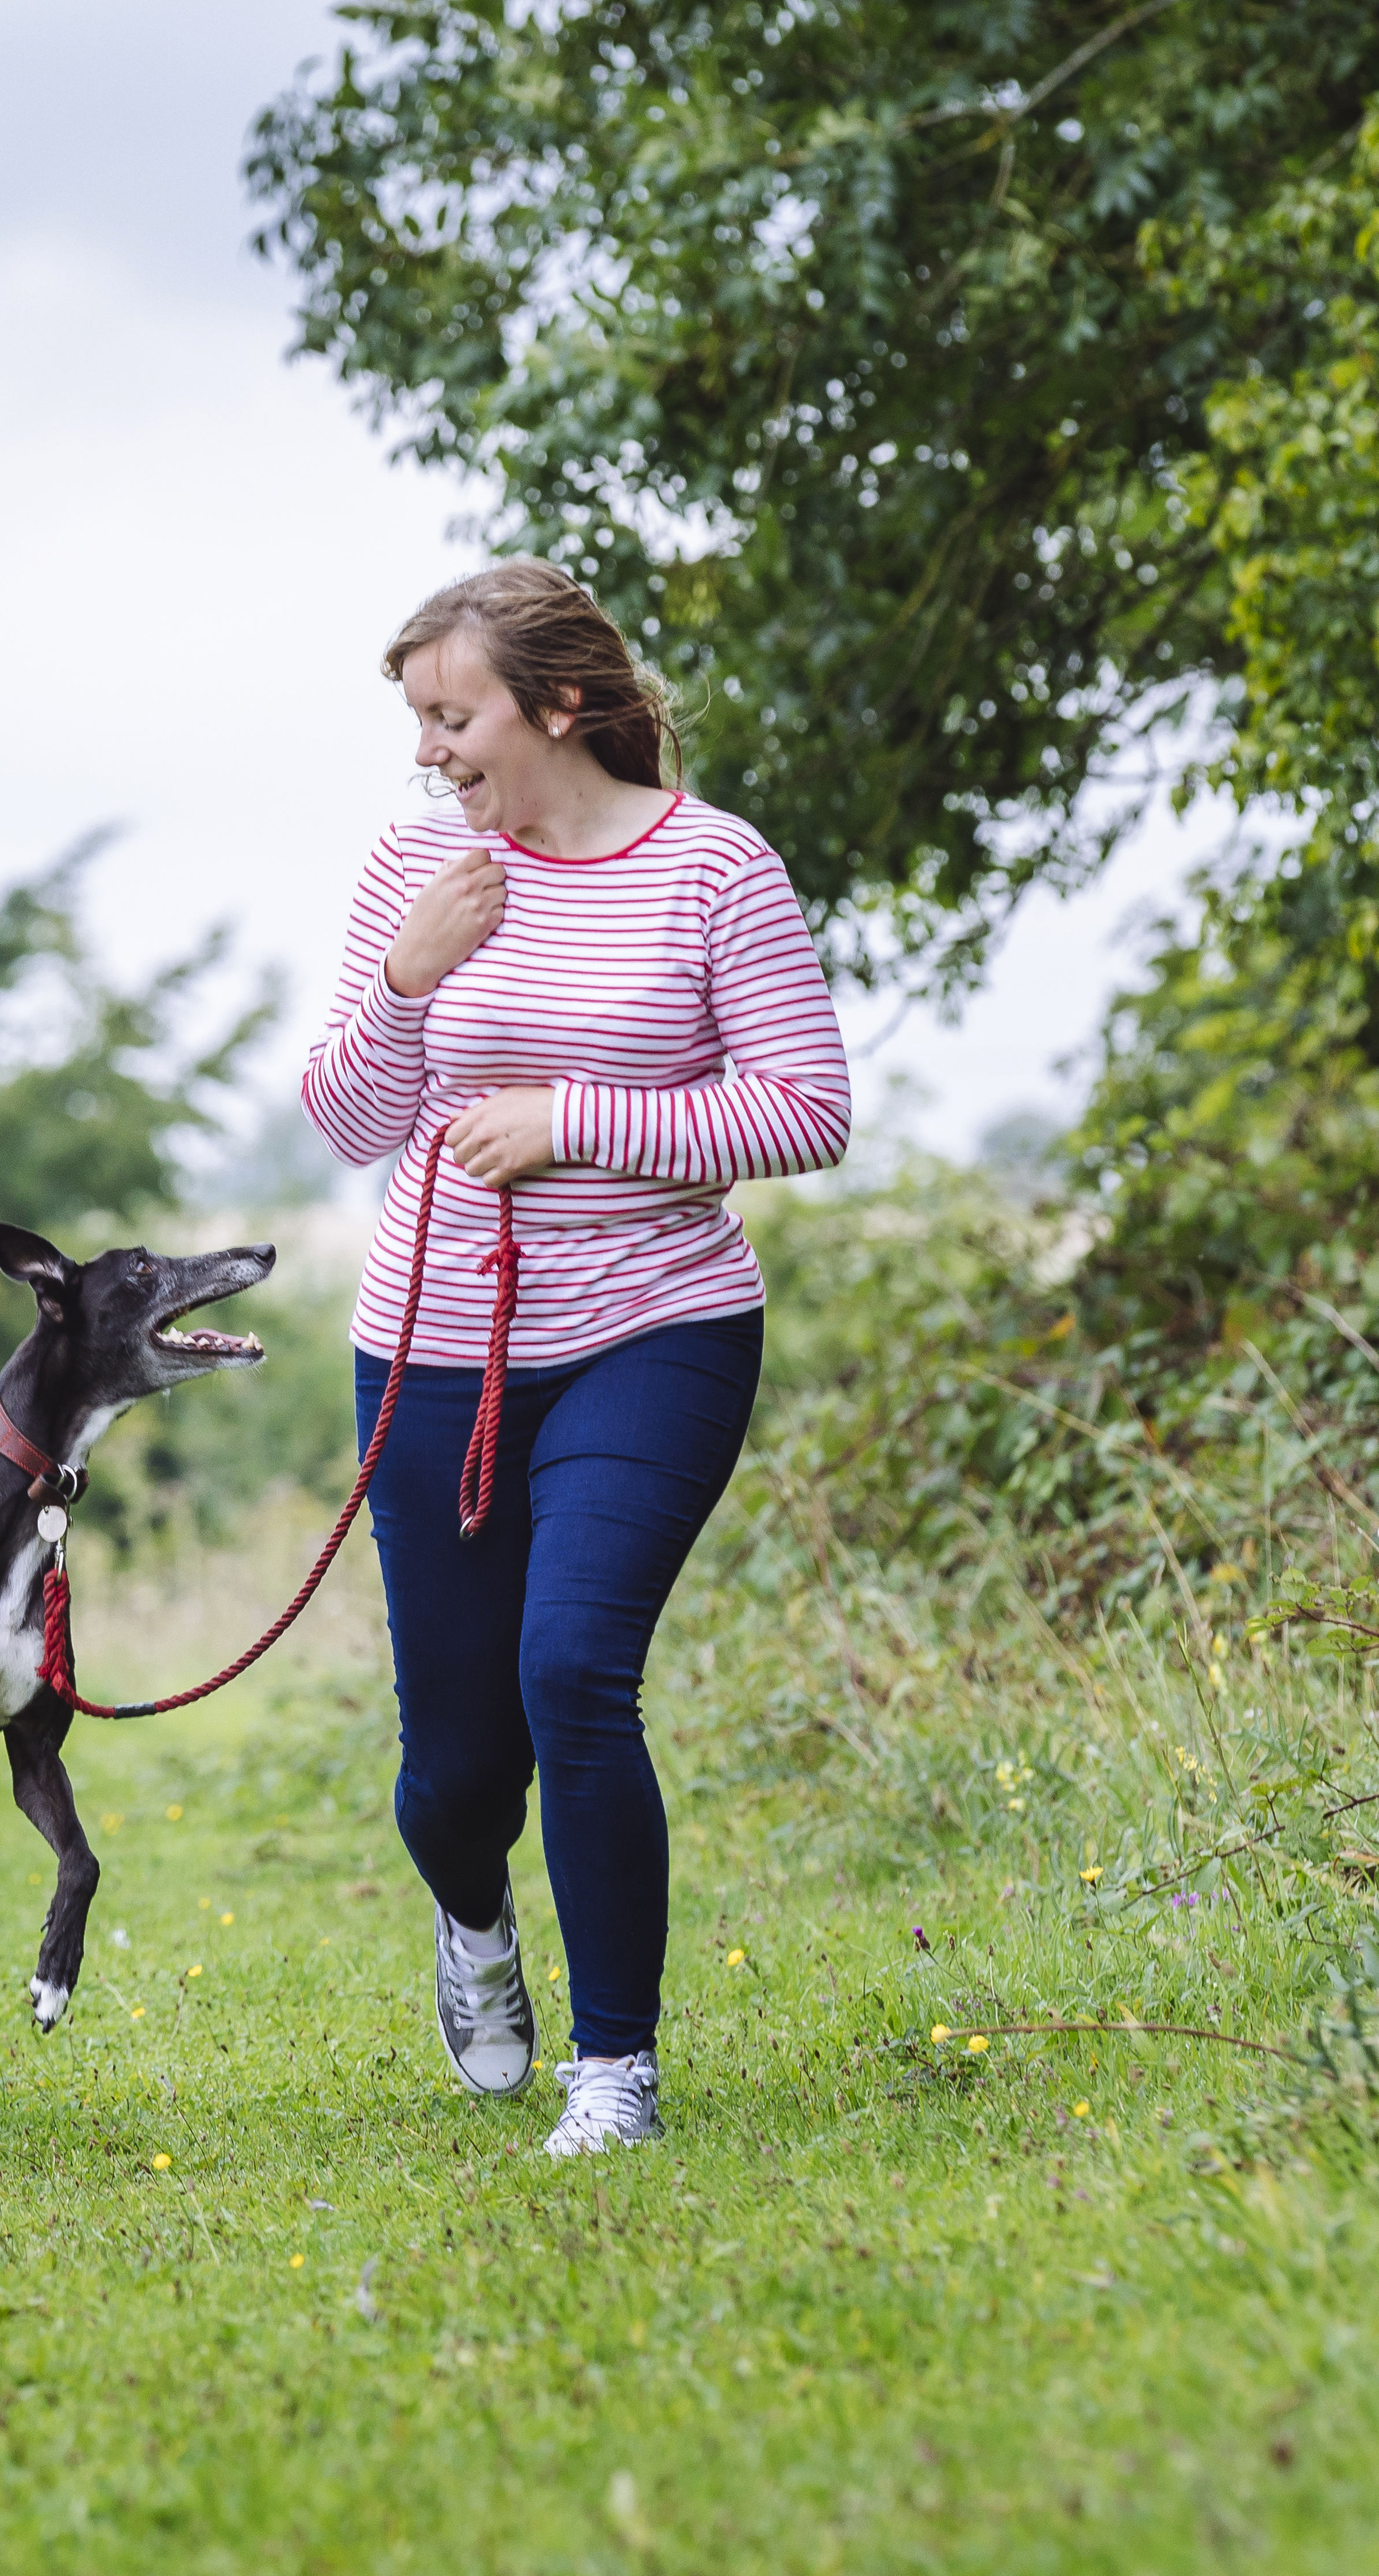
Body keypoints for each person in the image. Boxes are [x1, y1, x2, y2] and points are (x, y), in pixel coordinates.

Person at [300, 559, 853, 2155]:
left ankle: (616, 2068)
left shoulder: (714, 872)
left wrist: (576, 1124)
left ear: (554, 704)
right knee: (457, 1765)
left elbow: (805, 1110)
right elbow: (347, 1127)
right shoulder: (417, 868)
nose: (428, 752)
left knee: (572, 1676)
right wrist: (411, 976)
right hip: (432, 1348)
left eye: (450, 714)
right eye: (416, 720)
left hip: (655, 1329)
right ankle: (472, 1925)